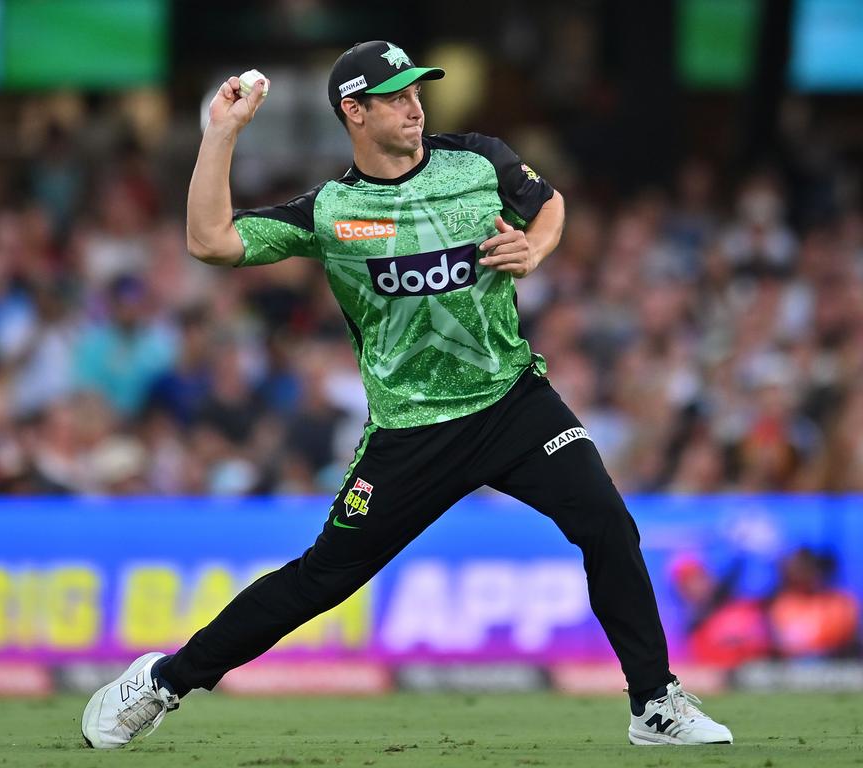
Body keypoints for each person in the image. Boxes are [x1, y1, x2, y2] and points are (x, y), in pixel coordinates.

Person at [81, 40, 733, 748]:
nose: (415, 106)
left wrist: (536, 249)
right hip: (411, 431)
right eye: (395, 97)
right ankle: (163, 683)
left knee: (606, 521)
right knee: (320, 580)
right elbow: (210, 241)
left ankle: (653, 704)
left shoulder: (478, 160)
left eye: (417, 91)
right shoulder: (330, 211)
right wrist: (222, 134)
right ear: (353, 111)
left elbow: (549, 205)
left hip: (513, 401)